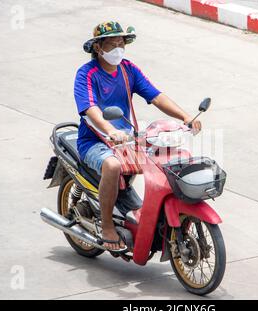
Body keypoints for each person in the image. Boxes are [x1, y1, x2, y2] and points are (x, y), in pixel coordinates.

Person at [74, 21, 201, 251]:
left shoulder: (128, 69)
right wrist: (110, 130)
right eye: (111, 45)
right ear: (98, 48)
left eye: (121, 44)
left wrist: (186, 117)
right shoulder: (86, 74)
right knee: (112, 166)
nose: (117, 49)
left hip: (127, 138)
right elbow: (90, 110)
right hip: (94, 141)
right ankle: (106, 225)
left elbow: (156, 96)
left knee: (167, 160)